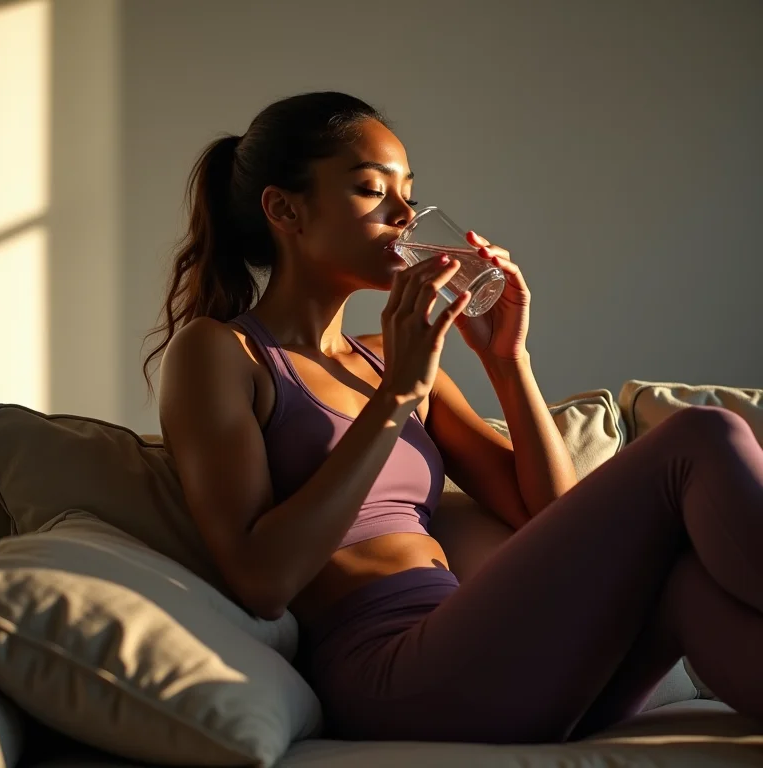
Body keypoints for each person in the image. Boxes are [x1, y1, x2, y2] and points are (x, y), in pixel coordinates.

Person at [144, 91, 763, 744]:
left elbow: (546, 517)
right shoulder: (222, 354)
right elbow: (262, 581)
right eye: (369, 189)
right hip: (390, 671)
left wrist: (506, 361)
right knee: (704, 433)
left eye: (408, 191)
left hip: (494, 652)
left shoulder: (395, 360)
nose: (406, 214)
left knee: (687, 587)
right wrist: (397, 397)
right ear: (284, 209)